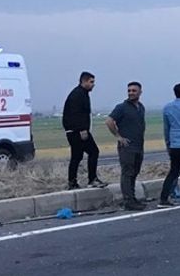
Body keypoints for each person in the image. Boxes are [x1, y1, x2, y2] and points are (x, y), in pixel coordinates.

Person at [105, 81, 147, 211]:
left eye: (134, 90)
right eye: (129, 90)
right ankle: (128, 201)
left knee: (134, 172)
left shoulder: (141, 107)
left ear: (140, 92)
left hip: (138, 145)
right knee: (127, 173)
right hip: (127, 147)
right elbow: (109, 121)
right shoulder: (122, 107)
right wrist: (118, 137)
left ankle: (132, 198)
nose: (131, 93)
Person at [62, 71, 107, 190]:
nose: (93, 85)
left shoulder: (81, 93)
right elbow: (76, 114)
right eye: (91, 82)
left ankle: (72, 182)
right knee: (93, 152)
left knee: (76, 156)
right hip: (77, 131)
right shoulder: (78, 95)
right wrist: (82, 129)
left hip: (73, 131)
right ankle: (92, 179)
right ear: (84, 81)